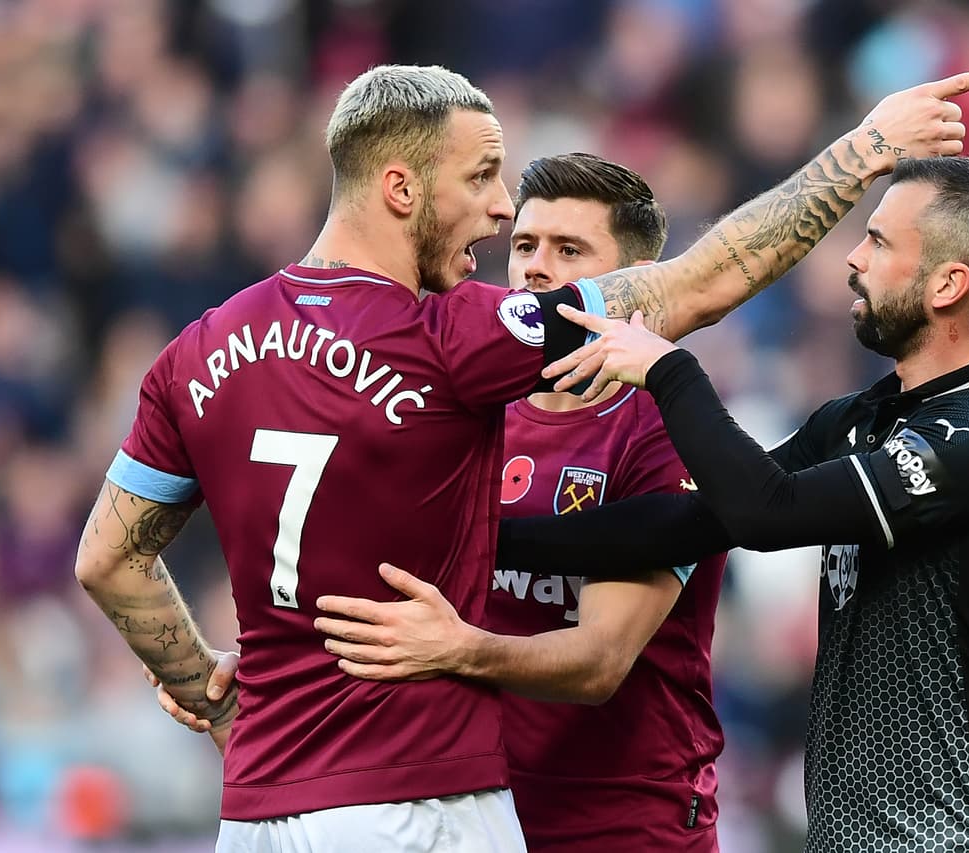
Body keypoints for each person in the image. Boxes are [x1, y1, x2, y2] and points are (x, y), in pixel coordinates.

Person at [73, 63, 969, 851]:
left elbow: (106, 560)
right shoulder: (451, 342)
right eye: (482, 179)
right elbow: (702, 282)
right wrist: (865, 149)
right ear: (401, 188)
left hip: (262, 812)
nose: (497, 210)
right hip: (418, 802)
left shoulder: (198, 350)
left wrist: (217, 700)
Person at [158, 152, 730, 851]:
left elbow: (599, 661)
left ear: (634, 286)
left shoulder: (666, 430)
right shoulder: (465, 406)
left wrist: (460, 650)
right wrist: (277, 661)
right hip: (468, 816)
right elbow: (383, 589)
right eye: (525, 244)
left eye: (569, 250)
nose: (535, 268)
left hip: (625, 826)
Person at [499, 155, 969, 853]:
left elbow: (766, 514)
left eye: (879, 241)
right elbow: (686, 524)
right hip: (853, 837)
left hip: (959, 834)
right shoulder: (857, 419)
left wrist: (670, 369)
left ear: (948, 284)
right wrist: (490, 538)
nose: (854, 257)